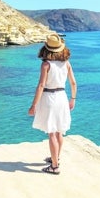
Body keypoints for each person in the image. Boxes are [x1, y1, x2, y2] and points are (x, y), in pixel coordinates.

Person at [28, 33, 77, 175]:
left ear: (46, 49)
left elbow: (41, 85)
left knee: (52, 134)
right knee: (59, 131)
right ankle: (56, 158)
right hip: (62, 96)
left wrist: (34, 105)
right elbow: (73, 83)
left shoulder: (46, 64)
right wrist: (73, 99)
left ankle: (54, 166)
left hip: (49, 98)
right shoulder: (66, 63)